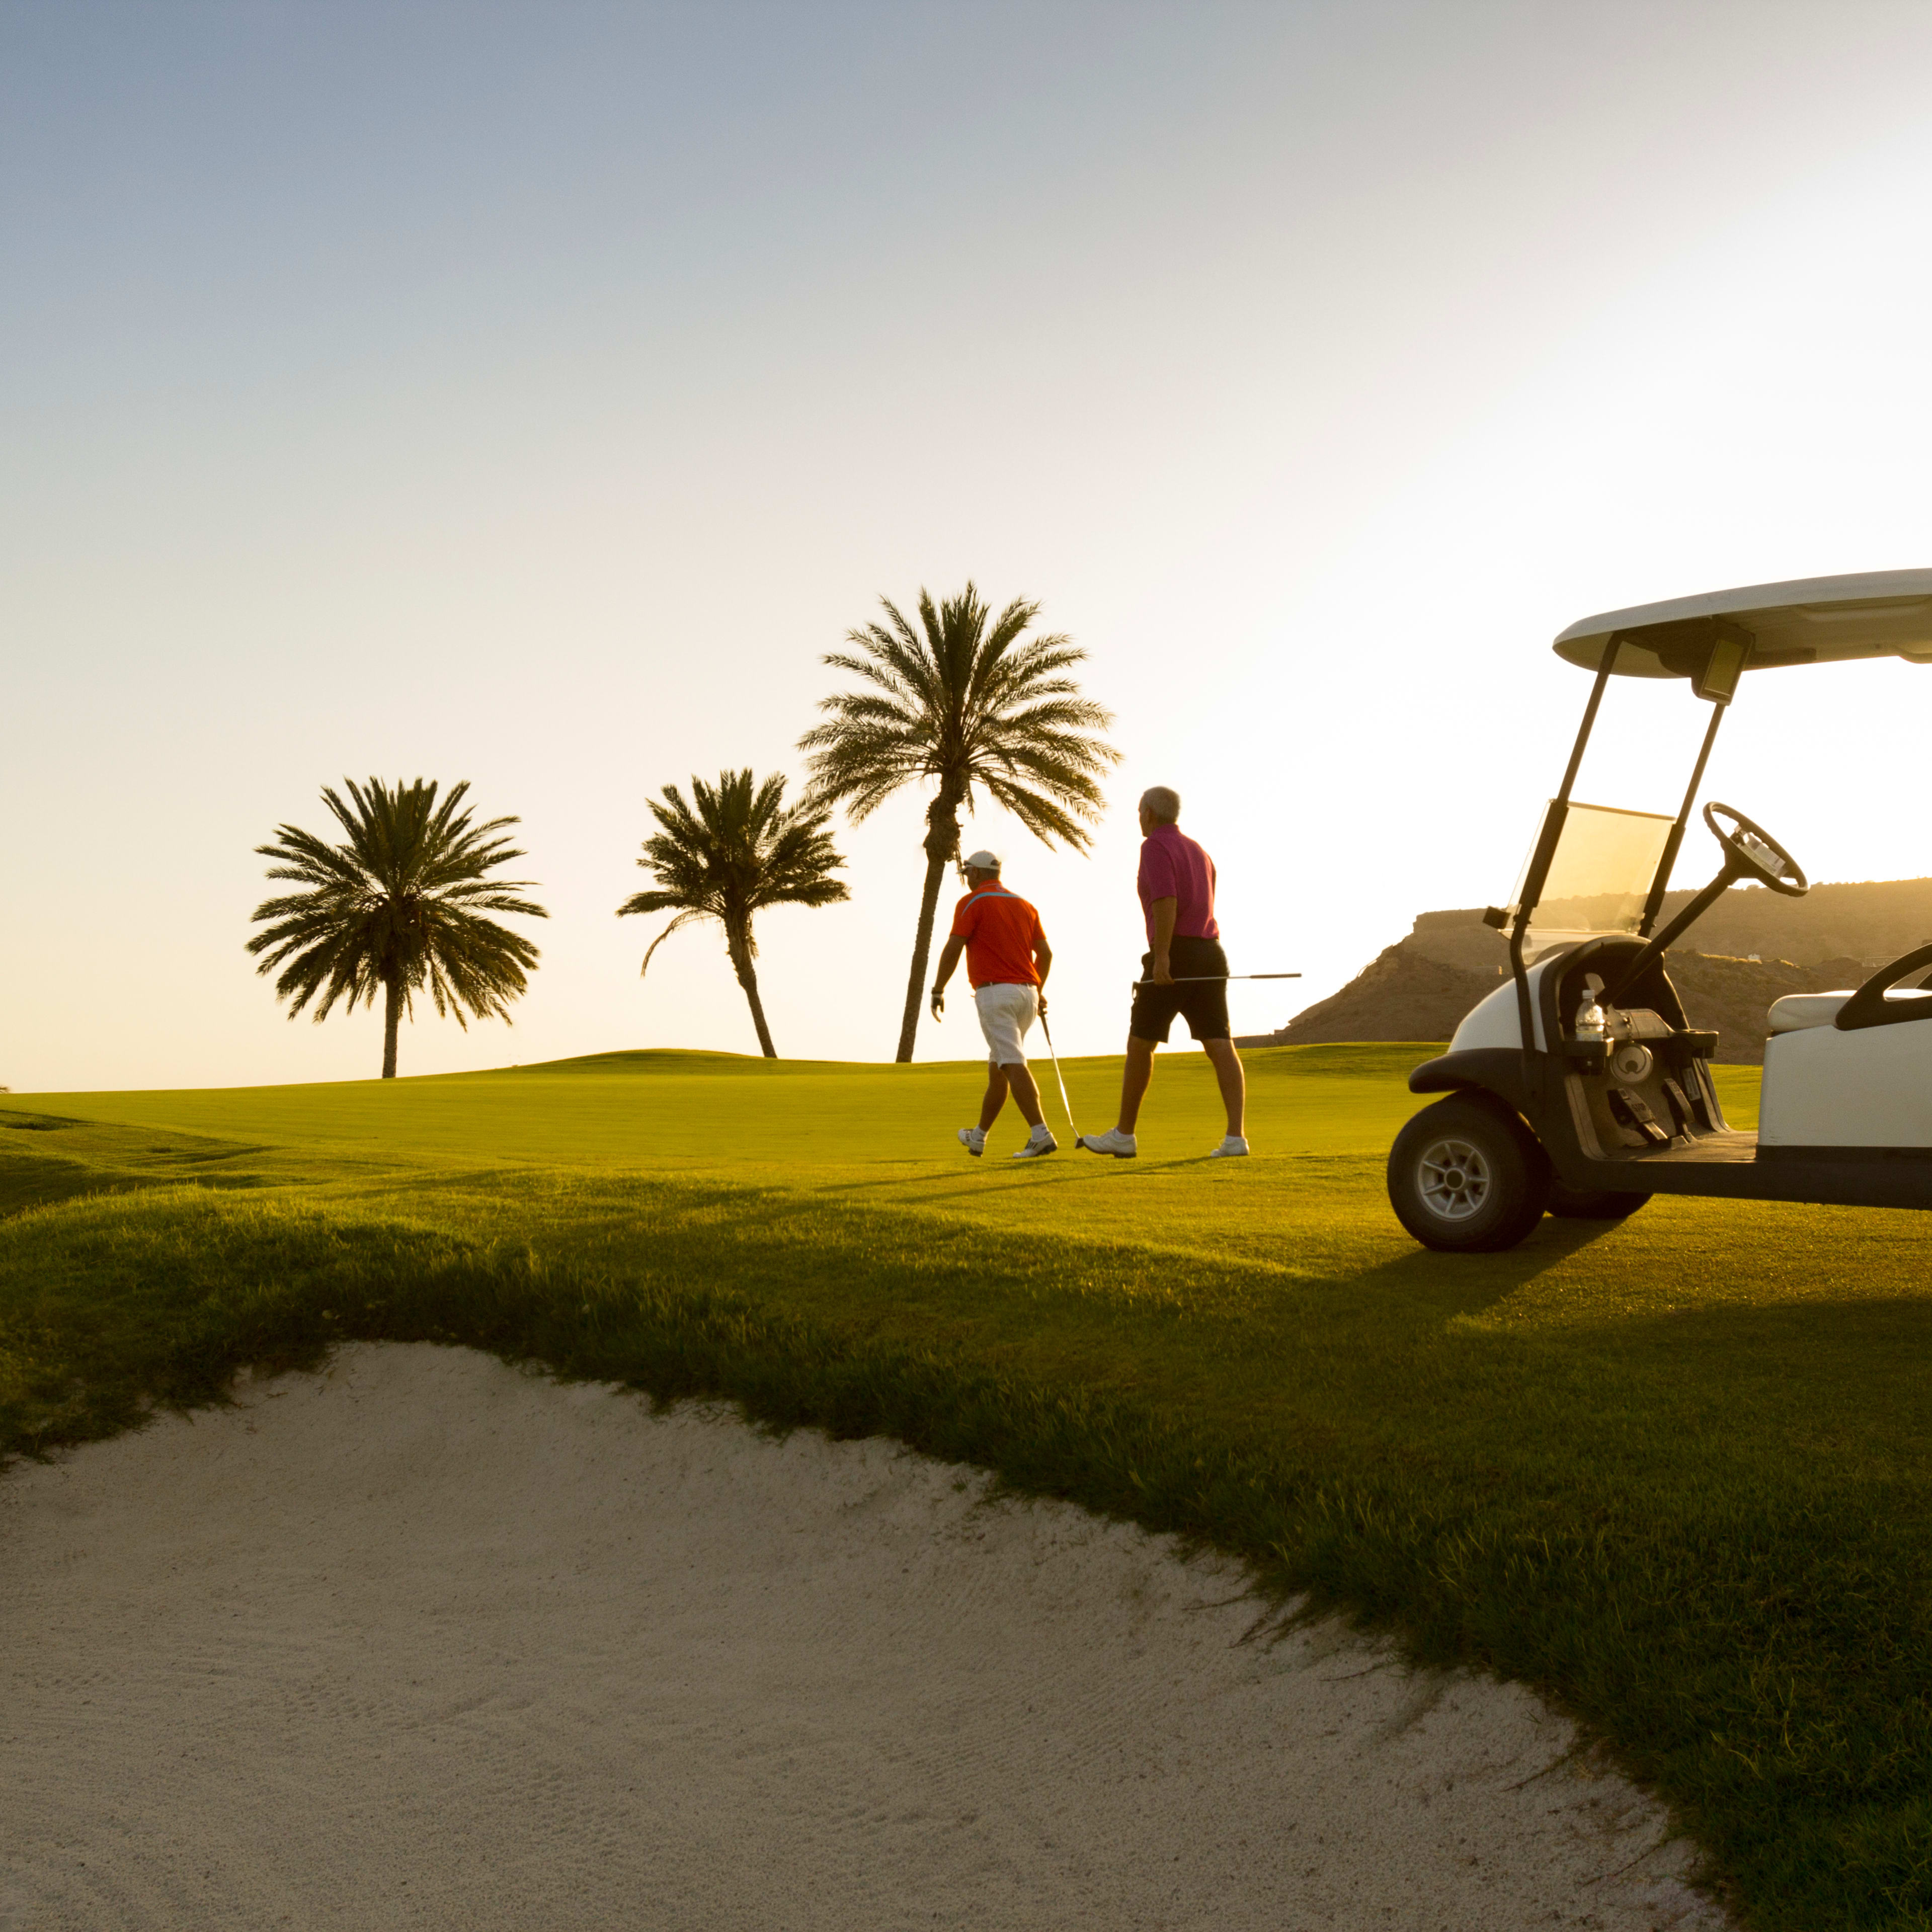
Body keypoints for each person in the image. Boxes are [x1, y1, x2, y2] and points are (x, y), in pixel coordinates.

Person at [1078, 787, 1248, 1159]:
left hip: (1177, 953)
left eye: (1140, 811)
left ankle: (1124, 1136)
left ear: (1151, 814)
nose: (1138, 818)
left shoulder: (1154, 846)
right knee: (1220, 1044)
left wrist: (1163, 957)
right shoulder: (1199, 850)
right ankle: (1236, 1138)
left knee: (1141, 1042)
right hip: (1210, 952)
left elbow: (1166, 900)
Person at [928, 849, 1058, 1160]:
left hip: (995, 994)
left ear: (977, 874)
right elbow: (1046, 955)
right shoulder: (1026, 905)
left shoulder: (972, 902)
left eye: (967, 873)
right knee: (999, 1068)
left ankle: (1041, 1133)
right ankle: (979, 1137)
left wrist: (938, 989)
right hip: (1027, 994)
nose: (966, 878)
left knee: (1012, 1063)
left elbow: (954, 947)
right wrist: (1038, 991)